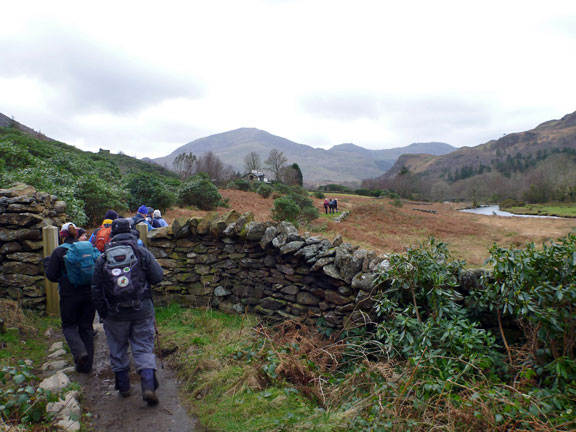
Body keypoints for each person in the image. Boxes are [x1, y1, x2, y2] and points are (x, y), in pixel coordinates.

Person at [91, 218, 164, 404]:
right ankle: (148, 386)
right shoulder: (141, 252)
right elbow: (157, 277)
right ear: (131, 231)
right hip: (142, 310)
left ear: (112, 234)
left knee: (117, 347)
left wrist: (103, 313)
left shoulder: (102, 258)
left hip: (114, 314)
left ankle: (124, 387)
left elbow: (96, 289)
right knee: (143, 347)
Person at [45, 222, 99, 373]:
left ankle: (80, 351)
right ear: (76, 234)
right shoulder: (87, 248)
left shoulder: (58, 252)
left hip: (69, 295)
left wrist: (47, 263)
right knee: (86, 327)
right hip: (89, 293)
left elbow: (52, 276)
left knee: (69, 326)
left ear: (62, 236)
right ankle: (87, 366)